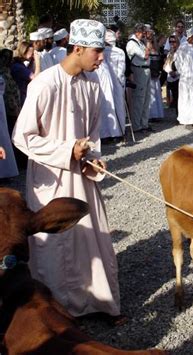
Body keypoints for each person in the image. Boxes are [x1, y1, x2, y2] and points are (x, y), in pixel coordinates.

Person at [12, 19, 122, 320]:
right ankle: (57, 315)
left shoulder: (93, 83)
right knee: (55, 246)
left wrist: (92, 157)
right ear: (77, 48)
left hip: (81, 178)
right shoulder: (44, 84)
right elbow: (22, 136)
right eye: (97, 52)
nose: (101, 58)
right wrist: (65, 151)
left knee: (92, 239)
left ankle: (100, 303)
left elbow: (92, 134)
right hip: (51, 179)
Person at [126, 23, 152, 132]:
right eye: (144, 33)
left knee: (146, 98)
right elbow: (145, 55)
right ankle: (137, 125)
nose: (145, 35)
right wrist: (149, 42)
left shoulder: (140, 42)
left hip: (146, 69)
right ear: (137, 32)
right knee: (139, 99)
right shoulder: (132, 44)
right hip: (139, 70)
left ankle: (144, 123)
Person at [11, 41, 40, 105]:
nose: (33, 56)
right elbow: (36, 78)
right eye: (31, 53)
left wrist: (32, 61)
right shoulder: (18, 67)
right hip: (20, 100)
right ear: (24, 51)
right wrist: (38, 62)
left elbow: (28, 71)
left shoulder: (18, 64)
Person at [164, 35, 180, 115]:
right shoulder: (170, 53)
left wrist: (176, 73)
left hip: (179, 78)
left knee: (179, 98)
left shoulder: (181, 52)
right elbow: (166, 65)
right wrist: (170, 71)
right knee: (174, 97)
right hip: (171, 78)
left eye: (174, 41)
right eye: (170, 42)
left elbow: (183, 66)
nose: (172, 43)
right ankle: (177, 115)